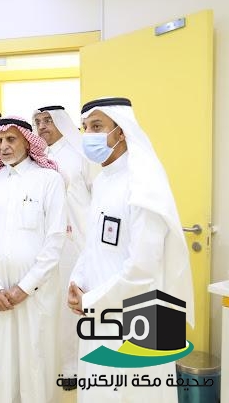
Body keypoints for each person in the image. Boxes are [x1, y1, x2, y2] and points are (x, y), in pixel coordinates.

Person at [68, 97, 195, 402]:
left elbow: (142, 269)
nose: (89, 135)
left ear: (121, 132)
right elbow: (93, 245)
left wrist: (91, 300)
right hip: (99, 311)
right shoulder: (103, 181)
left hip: (139, 317)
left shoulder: (144, 184)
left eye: (97, 126)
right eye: (85, 127)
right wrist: (77, 281)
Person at [0, 117, 67, 402]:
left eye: (11, 139)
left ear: (27, 142)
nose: (3, 146)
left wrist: (25, 287)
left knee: (36, 359)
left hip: (36, 292)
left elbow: (55, 240)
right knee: (3, 361)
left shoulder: (49, 180)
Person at [33, 105, 93, 389]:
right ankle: (51, 363)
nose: (42, 126)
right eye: (37, 122)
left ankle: (73, 367)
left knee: (72, 304)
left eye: (48, 120)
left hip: (76, 241)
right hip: (46, 243)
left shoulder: (79, 154)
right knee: (49, 304)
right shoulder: (36, 159)